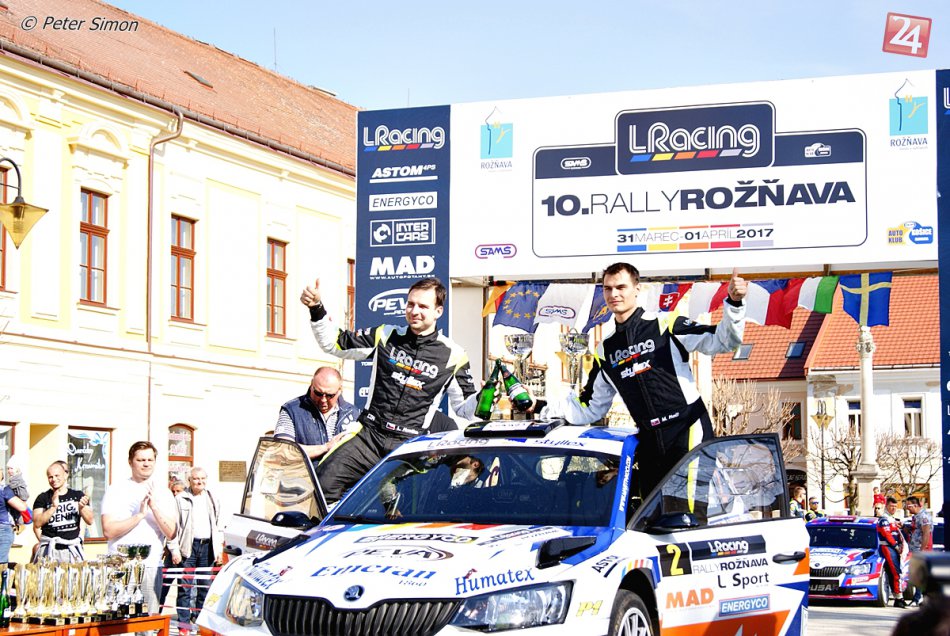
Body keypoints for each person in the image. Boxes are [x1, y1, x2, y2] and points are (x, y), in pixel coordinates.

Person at [541, 263, 747, 500]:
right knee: (648, 514)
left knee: (686, 511)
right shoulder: (605, 349)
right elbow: (590, 407)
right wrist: (543, 409)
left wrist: (734, 304)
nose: (614, 294)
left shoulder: (666, 324)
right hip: (649, 441)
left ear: (637, 289)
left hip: (687, 431)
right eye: (608, 288)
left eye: (621, 287)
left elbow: (723, 341)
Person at [300, 277, 484, 503]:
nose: (414, 311)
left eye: (423, 306)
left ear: (438, 311)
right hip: (369, 436)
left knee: (401, 508)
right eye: (410, 304)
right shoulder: (386, 335)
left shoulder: (454, 354)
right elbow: (335, 343)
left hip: (409, 445)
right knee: (321, 486)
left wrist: (483, 397)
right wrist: (316, 308)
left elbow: (465, 409)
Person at [101, 441, 177, 615]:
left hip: (150, 566)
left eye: (150, 460)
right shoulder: (116, 490)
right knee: (116, 621)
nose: (146, 464)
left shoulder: (164, 492)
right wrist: (139, 516)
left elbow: (172, 533)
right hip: (120, 566)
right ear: (130, 462)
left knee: (147, 623)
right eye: (141, 460)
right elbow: (108, 531)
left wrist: (154, 508)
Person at [167, 467, 223, 636]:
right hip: (188, 548)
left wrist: (218, 549)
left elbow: (218, 525)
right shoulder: (181, 498)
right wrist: (174, 550)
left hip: (207, 548)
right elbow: (173, 527)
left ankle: (200, 622)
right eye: (196, 479)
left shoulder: (212, 498)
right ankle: (184, 625)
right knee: (185, 588)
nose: (200, 482)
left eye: (203, 478)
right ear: (189, 480)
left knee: (204, 588)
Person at [274, 366, 360, 466]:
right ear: (311, 385)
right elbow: (283, 451)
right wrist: (325, 447)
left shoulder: (354, 413)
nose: (323, 400)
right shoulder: (292, 410)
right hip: (303, 476)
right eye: (318, 393)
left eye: (330, 395)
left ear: (340, 390)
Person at [32, 461, 94, 562]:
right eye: (50, 477)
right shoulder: (42, 498)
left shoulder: (77, 495)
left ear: (65, 475)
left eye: (57, 476)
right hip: (49, 551)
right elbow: (37, 523)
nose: (54, 479)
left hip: (71, 550)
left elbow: (90, 520)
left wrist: (82, 508)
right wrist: (53, 507)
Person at [879, 496, 908, 608]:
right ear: (886, 506)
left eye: (895, 506)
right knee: (895, 573)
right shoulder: (884, 520)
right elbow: (887, 535)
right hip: (888, 548)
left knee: (895, 573)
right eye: (891, 506)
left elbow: (898, 535)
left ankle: (898, 597)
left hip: (895, 548)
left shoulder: (892, 519)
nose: (893, 508)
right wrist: (896, 546)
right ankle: (899, 598)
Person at [905, 496, 934, 607]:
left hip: (921, 550)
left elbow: (926, 533)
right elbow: (914, 531)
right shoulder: (916, 517)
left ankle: (918, 598)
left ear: (916, 505)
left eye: (909, 506)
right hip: (914, 549)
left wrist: (922, 550)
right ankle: (923, 598)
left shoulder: (924, 517)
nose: (907, 508)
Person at [6, 456, 29, 534]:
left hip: (19, 499)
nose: (9, 471)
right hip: (16, 499)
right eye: (8, 469)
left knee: (17, 513)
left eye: (11, 468)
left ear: (17, 469)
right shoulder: (13, 479)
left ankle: (20, 525)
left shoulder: (17, 479)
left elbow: (22, 493)